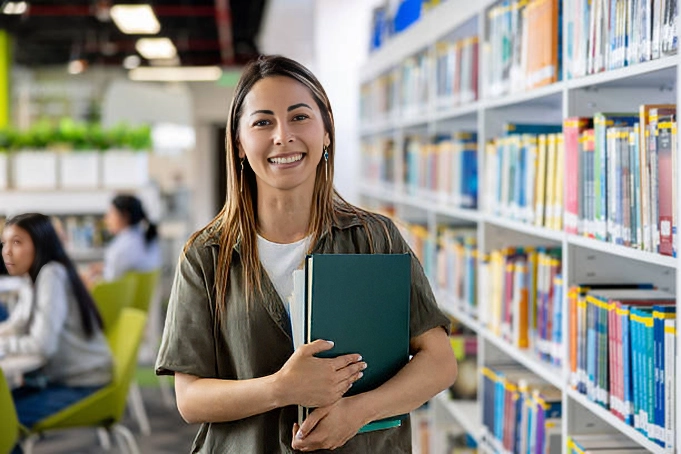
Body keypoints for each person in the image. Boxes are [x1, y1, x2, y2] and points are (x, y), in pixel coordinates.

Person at [155, 55, 458, 453]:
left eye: (299, 117)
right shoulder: (206, 255)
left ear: (326, 132)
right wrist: (281, 388)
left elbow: (439, 362)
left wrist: (358, 412)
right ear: (239, 145)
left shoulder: (374, 239)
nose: (283, 136)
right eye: (263, 122)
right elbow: (190, 398)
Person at [0, 213, 113, 429]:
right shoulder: (32, 278)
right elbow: (16, 326)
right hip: (63, 378)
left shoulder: (51, 275)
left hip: (83, 382)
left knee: (3, 421)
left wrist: (3, 345)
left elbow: (42, 346)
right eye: (4, 243)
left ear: (40, 244)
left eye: (16, 242)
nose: (6, 251)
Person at [86, 194, 161, 284]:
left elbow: (110, 282)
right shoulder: (144, 237)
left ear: (124, 216)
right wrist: (103, 268)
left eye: (111, 213)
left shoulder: (121, 248)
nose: (106, 218)